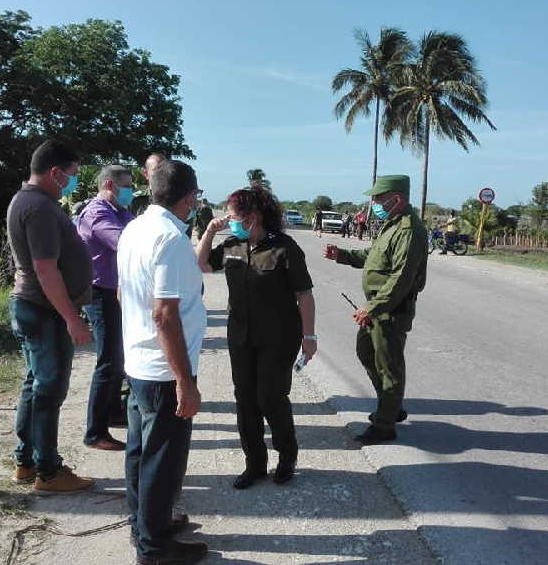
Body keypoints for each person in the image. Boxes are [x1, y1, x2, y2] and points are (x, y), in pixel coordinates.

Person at [118, 157, 207, 564]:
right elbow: (165, 314)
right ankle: (155, 549)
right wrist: (184, 381)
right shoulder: (171, 239)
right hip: (161, 371)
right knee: (161, 462)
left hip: (138, 362)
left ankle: (145, 527)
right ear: (189, 197)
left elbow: (124, 295)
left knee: (139, 452)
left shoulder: (134, 228)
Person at [196, 186, 316, 489]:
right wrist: (210, 230)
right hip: (241, 335)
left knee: (270, 397)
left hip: (279, 336)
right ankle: (255, 464)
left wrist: (309, 335)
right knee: (245, 399)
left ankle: (286, 456)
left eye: (233, 215)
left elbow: (304, 294)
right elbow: (201, 264)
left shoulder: (284, 247)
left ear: (252, 217)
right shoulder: (232, 245)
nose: (229, 220)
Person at [6, 139, 95, 493]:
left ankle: (26, 462)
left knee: (35, 386)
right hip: (44, 311)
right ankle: (48, 471)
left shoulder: (32, 201)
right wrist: (72, 318)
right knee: (48, 390)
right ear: (55, 173)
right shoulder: (39, 207)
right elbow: (46, 270)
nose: (73, 182)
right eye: (71, 175)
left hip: (37, 309)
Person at [323, 175, 427, 444]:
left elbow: (401, 278)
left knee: (389, 365)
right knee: (366, 352)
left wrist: (373, 307)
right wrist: (342, 255)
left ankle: (384, 425)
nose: (375, 204)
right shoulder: (390, 225)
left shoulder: (409, 230)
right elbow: (372, 256)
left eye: (380, 199)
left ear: (397, 198)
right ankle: (390, 407)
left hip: (390, 310)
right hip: (378, 309)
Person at [76, 165, 135, 451]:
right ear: (110, 184)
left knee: (118, 357)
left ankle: (113, 412)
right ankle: (95, 431)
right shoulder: (98, 213)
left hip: (116, 292)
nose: (130, 192)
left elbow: (134, 227)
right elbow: (126, 242)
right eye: (127, 186)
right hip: (100, 293)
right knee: (108, 361)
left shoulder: (118, 211)